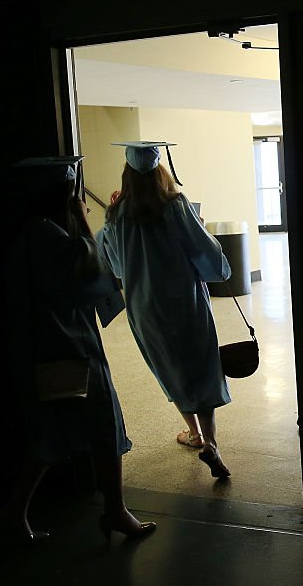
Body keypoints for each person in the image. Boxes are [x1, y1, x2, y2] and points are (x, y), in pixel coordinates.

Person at [0, 155, 156, 544]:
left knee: (49, 433)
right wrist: (84, 222)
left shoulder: (32, 232)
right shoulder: (45, 235)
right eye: (71, 191)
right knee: (104, 423)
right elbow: (92, 275)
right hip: (67, 347)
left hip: (49, 345)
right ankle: (114, 511)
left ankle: (14, 515)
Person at [95, 141, 233, 478]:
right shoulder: (175, 206)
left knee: (170, 367)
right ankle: (210, 442)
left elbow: (115, 266)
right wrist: (198, 227)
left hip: (144, 307)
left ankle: (195, 435)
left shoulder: (116, 215)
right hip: (183, 300)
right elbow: (202, 251)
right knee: (199, 366)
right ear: (161, 171)